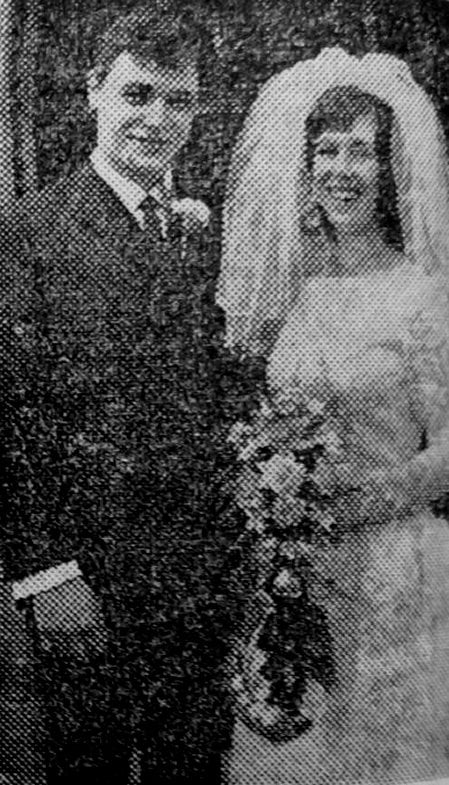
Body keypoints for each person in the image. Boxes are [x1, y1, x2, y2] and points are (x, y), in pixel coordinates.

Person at [2, 6, 250, 785]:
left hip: (200, 579)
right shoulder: (28, 234)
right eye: (138, 94)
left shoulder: (201, 228)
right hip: (90, 582)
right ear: (93, 91)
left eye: (179, 101)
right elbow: (11, 415)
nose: (157, 119)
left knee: (194, 768)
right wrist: (47, 573)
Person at [218, 47, 449, 784]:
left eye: (361, 151)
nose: (341, 169)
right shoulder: (292, 289)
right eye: (326, 150)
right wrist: (275, 501)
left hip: (391, 570)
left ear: (390, 169)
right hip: (293, 578)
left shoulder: (420, 294)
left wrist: (354, 502)